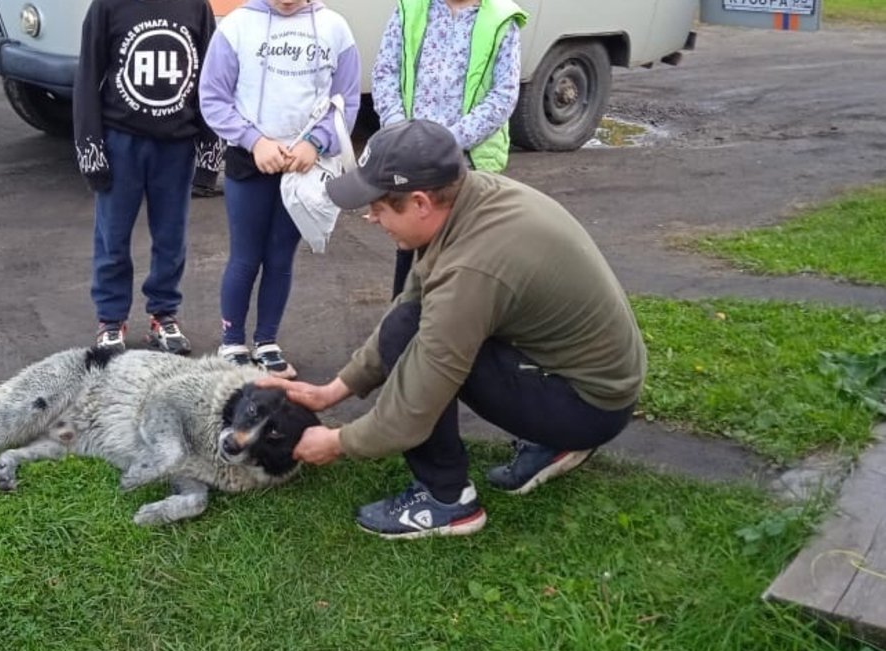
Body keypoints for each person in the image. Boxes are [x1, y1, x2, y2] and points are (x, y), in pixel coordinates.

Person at [262, 120, 647, 540]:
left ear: (421, 203)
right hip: (584, 378)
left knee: (425, 356)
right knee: (413, 322)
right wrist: (335, 389)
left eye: (378, 206)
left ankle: (446, 500)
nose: (371, 217)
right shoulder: (466, 196)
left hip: (590, 406)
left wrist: (336, 442)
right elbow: (408, 306)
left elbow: (413, 408)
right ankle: (552, 438)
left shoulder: (471, 269)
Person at [199, 0, 360, 380]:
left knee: (279, 256)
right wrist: (254, 141)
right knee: (245, 255)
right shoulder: (237, 26)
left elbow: (347, 101)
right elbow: (213, 98)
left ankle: (267, 341)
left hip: (304, 167)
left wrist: (316, 143)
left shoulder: (335, 28)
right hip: (250, 162)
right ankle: (233, 343)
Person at [73, 0, 218, 352]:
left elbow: (211, 81)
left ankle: (164, 314)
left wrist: (209, 154)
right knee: (112, 236)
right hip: (121, 141)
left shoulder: (196, 7)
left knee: (171, 236)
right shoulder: (107, 6)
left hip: (177, 145)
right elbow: (87, 78)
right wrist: (91, 150)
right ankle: (110, 318)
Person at [371, 0, 527, 299]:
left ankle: (451, 329)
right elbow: (385, 73)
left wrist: (447, 143)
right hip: (411, 157)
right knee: (408, 250)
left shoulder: (500, 19)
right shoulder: (411, 9)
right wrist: (402, 134)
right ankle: (401, 325)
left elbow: (503, 95)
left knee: (460, 256)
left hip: (465, 163)